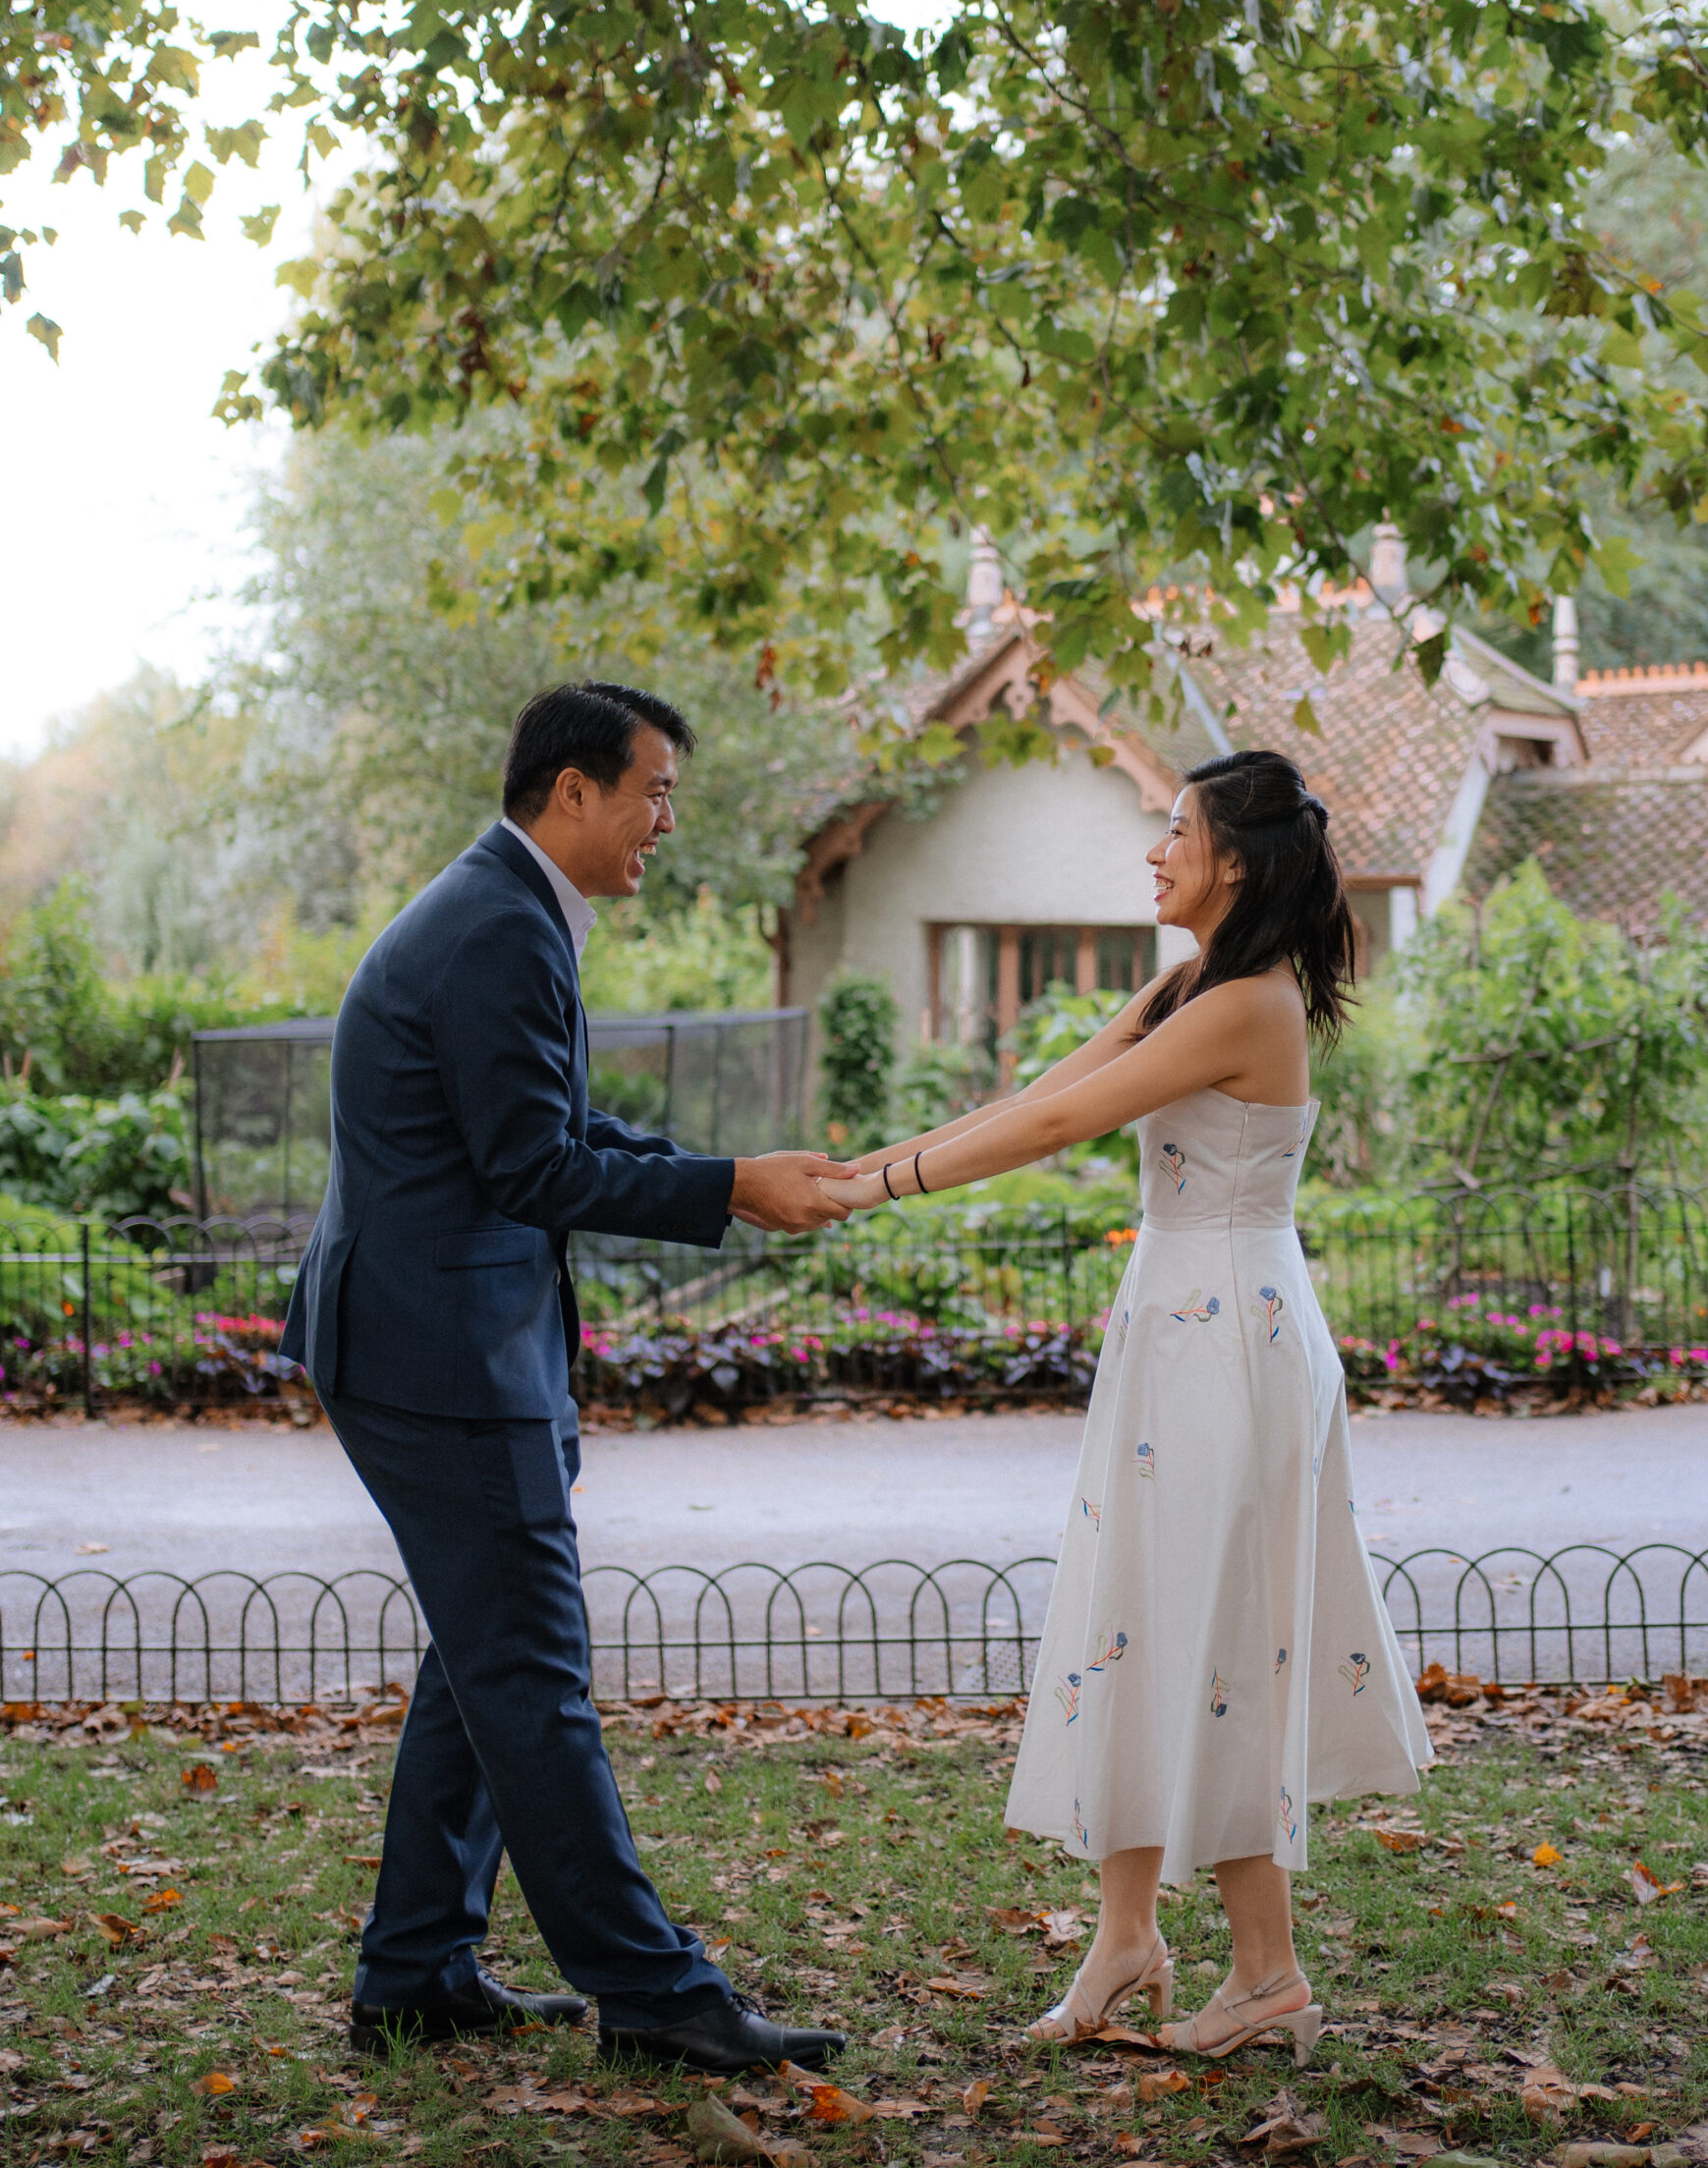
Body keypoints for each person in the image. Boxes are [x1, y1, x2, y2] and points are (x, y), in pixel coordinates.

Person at [280, 681, 858, 2071]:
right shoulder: (497, 926)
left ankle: (416, 1971)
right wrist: (729, 1189)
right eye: (653, 788)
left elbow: (552, 1128)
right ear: (573, 790)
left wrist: (731, 1179)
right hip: (437, 1362)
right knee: (531, 1675)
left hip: (445, 1344)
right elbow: (531, 1169)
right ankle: (654, 1994)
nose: (667, 819)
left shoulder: (508, 909)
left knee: (480, 1670)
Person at [842, 750, 1432, 2060]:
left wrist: (871, 1195)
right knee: (1138, 1618)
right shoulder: (1196, 985)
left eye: (1174, 832)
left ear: (1231, 859)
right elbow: (1046, 1097)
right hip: (1181, 1328)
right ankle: (1127, 1940)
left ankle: (1269, 1975)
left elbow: (1059, 1132)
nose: (1153, 852)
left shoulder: (1247, 1006)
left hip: (1229, 1339)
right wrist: (855, 1170)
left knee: (1210, 1639)